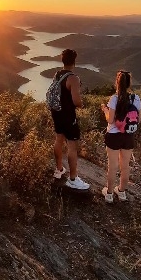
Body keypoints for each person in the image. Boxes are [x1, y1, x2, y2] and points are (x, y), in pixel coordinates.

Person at [100, 70, 141, 203]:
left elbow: (110, 120)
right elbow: (138, 120)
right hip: (128, 136)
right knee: (125, 166)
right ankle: (122, 192)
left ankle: (109, 194)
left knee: (112, 166)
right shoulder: (136, 98)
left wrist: (105, 110)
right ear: (129, 83)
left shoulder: (114, 98)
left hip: (113, 135)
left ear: (117, 83)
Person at [51, 49, 90, 190]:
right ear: (74, 61)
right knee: (72, 146)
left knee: (58, 139)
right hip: (68, 116)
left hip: (56, 112)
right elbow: (76, 101)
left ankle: (59, 169)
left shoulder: (57, 74)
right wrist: (81, 104)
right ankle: (73, 179)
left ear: (62, 60)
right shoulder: (73, 78)